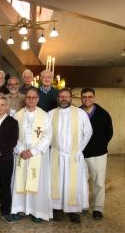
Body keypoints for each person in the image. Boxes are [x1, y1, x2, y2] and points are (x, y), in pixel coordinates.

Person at [48, 88, 93, 223]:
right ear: (58, 98)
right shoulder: (51, 114)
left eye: (66, 96)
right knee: (57, 183)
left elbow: (88, 132)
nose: (64, 99)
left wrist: (79, 149)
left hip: (74, 156)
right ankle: (57, 209)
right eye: (61, 96)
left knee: (73, 185)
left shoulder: (80, 114)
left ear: (71, 98)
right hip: (56, 154)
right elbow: (46, 134)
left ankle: (73, 211)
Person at [11, 88, 52, 222]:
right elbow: (13, 135)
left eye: (34, 97)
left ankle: (36, 211)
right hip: (21, 154)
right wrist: (21, 150)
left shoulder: (44, 116)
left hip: (37, 156)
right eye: (29, 97)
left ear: (38, 99)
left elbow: (47, 136)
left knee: (37, 184)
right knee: (20, 181)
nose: (31, 100)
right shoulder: (18, 115)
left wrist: (33, 151)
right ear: (25, 99)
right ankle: (20, 209)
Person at [80, 88, 113, 220]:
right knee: (82, 182)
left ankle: (98, 209)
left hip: (98, 154)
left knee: (98, 182)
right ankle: (83, 206)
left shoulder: (103, 114)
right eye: (84, 97)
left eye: (89, 97)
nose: (87, 99)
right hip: (81, 154)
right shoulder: (77, 112)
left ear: (94, 97)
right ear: (81, 98)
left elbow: (109, 132)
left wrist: (100, 145)